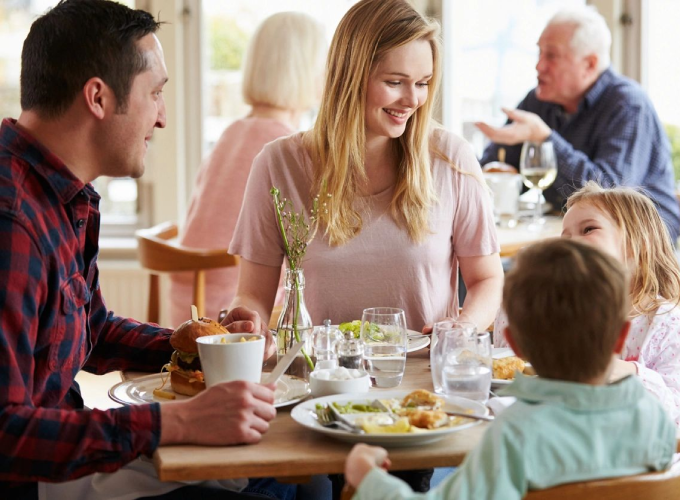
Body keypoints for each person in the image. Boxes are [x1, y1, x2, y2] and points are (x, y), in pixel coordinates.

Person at [0, 1, 284, 499]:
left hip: (69, 455)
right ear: (98, 97)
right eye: (155, 93)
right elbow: (7, 435)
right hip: (36, 483)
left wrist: (205, 346)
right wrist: (172, 422)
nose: (163, 119)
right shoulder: (12, 223)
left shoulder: (62, 195)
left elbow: (94, 330)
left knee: (276, 474)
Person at [229, 0, 503, 336]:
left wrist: (464, 326)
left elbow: (487, 279)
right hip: (324, 378)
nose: (413, 100)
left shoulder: (450, 157)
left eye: (422, 83)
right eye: (395, 82)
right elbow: (253, 294)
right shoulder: (278, 164)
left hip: (423, 379)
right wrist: (249, 320)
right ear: (350, 76)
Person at [344, 238, 677, 500]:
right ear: (620, 338)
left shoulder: (516, 436)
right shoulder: (653, 418)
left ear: (513, 345)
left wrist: (369, 479)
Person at [169, 12, 327, 328]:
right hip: (238, 314)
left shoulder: (232, 132)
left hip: (187, 307)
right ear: (309, 71)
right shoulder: (284, 148)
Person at [476, 7, 680, 241]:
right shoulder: (539, 100)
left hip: (641, 242)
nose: (538, 66)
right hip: (573, 232)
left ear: (590, 64)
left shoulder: (628, 104)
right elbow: (496, 165)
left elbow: (608, 197)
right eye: (539, 53)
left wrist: (545, 138)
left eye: (551, 56)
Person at [495, 181, 680, 426]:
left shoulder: (666, 320)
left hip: (640, 454)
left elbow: (674, 407)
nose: (569, 243)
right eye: (565, 236)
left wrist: (625, 371)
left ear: (638, 244)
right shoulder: (555, 309)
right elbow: (506, 360)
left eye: (588, 229)